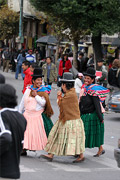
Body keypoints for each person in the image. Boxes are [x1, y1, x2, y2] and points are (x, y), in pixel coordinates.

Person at [41, 72, 85, 163]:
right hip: (70, 119)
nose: (62, 87)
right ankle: (51, 154)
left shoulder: (70, 95)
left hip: (70, 120)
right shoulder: (71, 93)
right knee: (58, 136)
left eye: (62, 85)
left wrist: (59, 97)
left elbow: (62, 105)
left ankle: (80, 155)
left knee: (63, 137)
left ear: (65, 85)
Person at [19, 68, 54, 156]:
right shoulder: (28, 90)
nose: (39, 82)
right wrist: (19, 113)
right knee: (26, 133)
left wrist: (36, 96)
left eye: (40, 80)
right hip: (27, 115)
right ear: (33, 81)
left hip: (38, 115)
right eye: (38, 80)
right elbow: (23, 102)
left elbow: (43, 103)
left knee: (45, 133)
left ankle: (51, 152)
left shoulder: (43, 91)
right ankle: (24, 149)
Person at [79, 68, 109, 157]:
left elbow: (97, 105)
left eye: (88, 79)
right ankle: (100, 148)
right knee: (86, 132)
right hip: (84, 114)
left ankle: (80, 153)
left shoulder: (94, 90)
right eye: (86, 78)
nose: (86, 80)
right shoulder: (84, 88)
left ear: (92, 80)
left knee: (86, 133)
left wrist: (100, 117)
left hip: (92, 115)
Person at [0, 84, 26, 179]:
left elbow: (6, 137)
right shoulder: (21, 118)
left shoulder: (2, 116)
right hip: (14, 172)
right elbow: (21, 143)